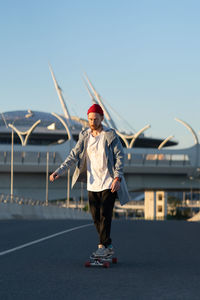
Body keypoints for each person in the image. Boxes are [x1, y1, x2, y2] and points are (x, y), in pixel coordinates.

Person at [49, 103, 130, 257]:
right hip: (92, 183)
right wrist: (59, 171)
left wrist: (117, 178)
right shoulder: (85, 136)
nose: (92, 122)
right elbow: (74, 155)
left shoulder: (110, 135)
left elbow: (120, 156)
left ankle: (102, 247)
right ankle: (108, 244)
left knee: (105, 215)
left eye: (95, 119)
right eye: (90, 119)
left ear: (102, 118)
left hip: (109, 182)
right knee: (95, 217)